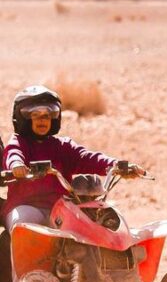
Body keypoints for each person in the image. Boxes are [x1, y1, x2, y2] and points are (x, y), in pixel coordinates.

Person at [3, 85, 144, 234]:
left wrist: (115, 165)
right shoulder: (19, 142)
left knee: (96, 226)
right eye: (35, 114)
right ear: (22, 118)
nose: (42, 119)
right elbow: (13, 153)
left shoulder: (63, 146)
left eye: (49, 114)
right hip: (26, 206)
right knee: (23, 226)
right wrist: (16, 165)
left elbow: (87, 157)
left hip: (61, 208)